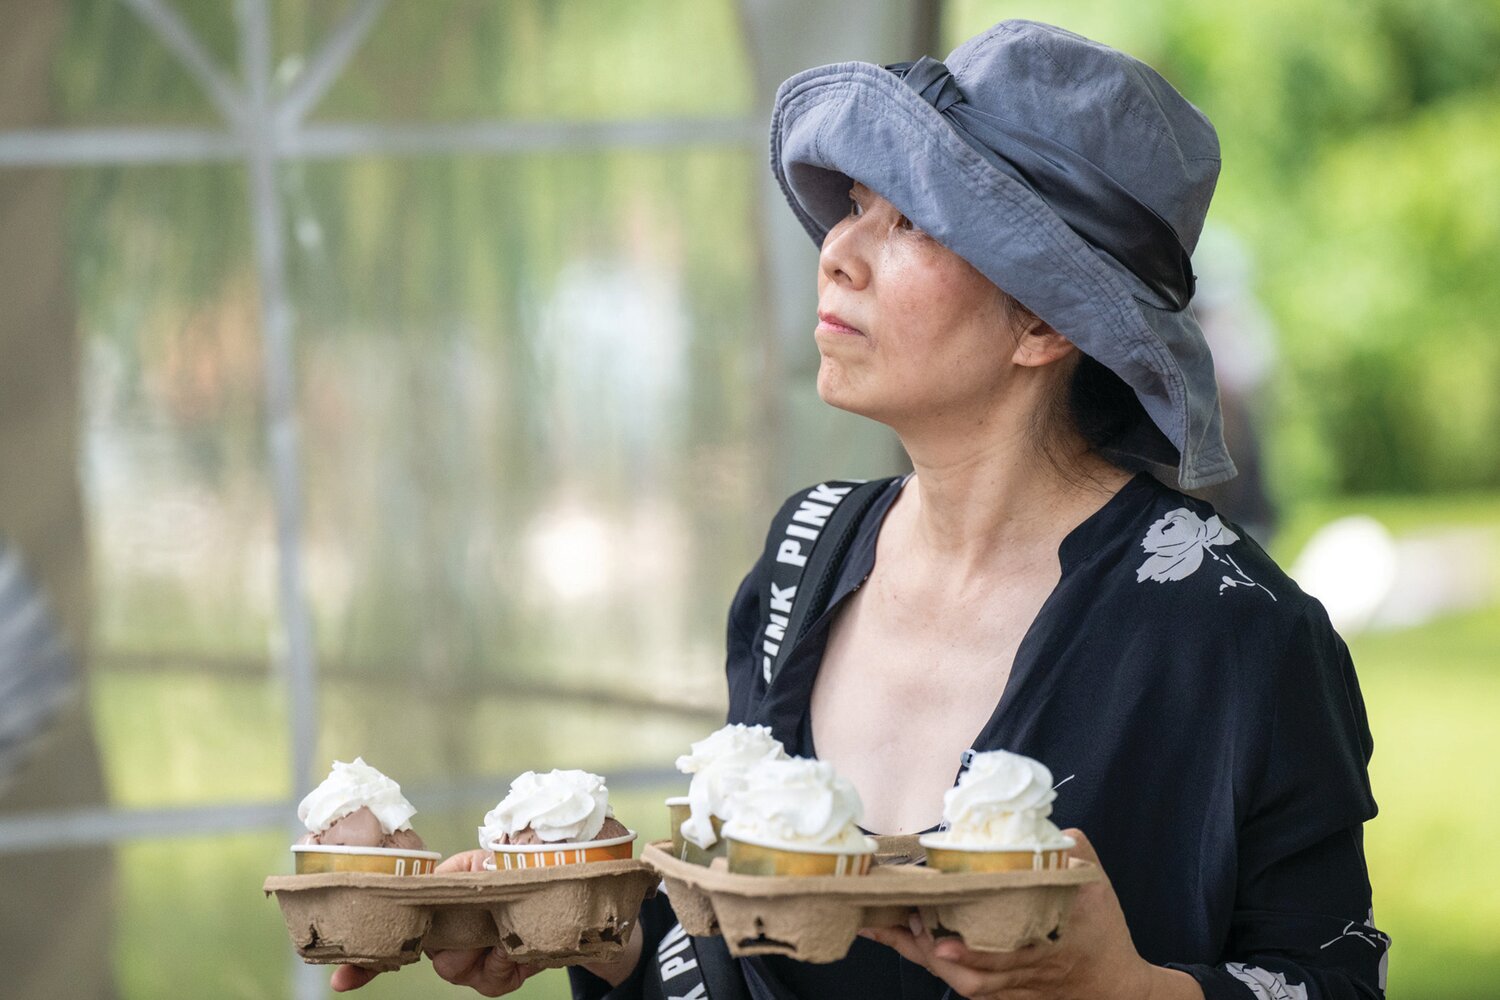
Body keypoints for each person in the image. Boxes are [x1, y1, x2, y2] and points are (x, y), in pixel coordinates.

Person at [334, 19, 1386, 1000]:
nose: (839, 249)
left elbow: (1331, 974)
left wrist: (1123, 989)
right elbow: (745, 969)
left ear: (1043, 324)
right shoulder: (808, 551)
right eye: (857, 203)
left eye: (913, 218)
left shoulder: (1236, 632)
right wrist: (593, 921)